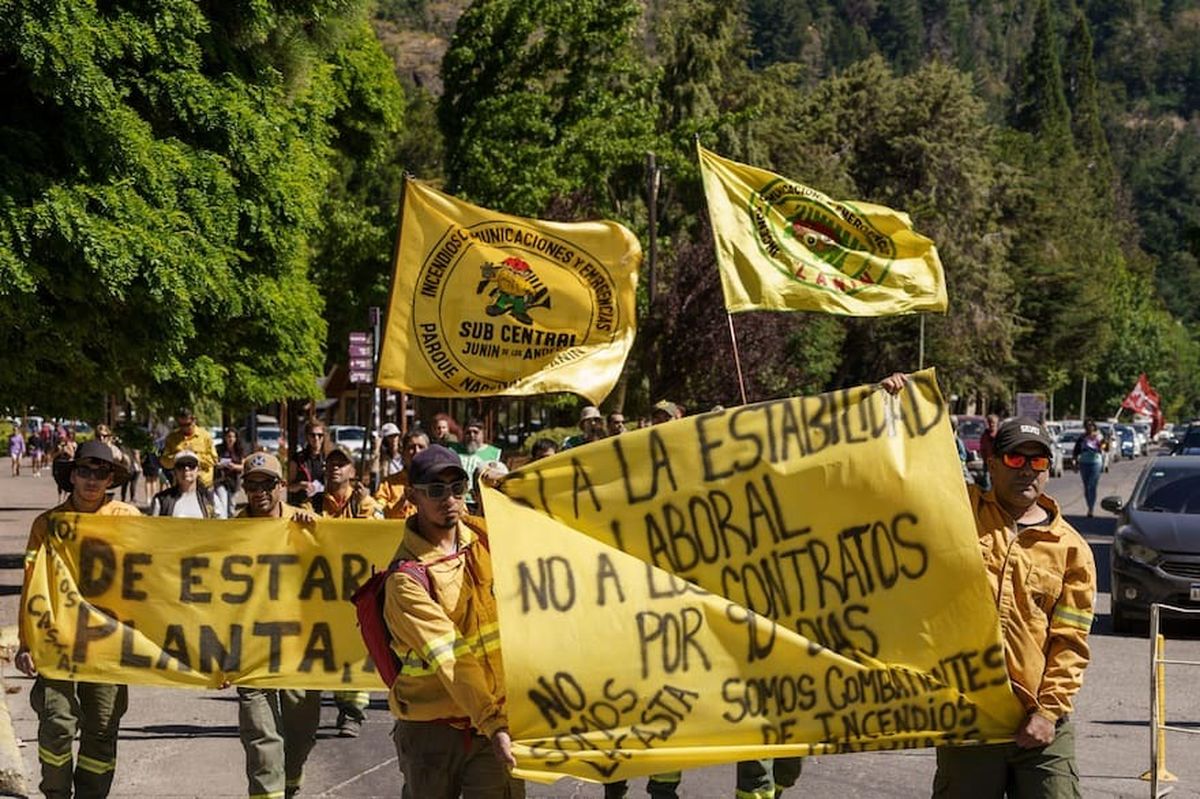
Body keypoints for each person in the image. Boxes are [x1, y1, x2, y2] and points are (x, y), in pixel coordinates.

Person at [881, 376, 1096, 799]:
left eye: (1037, 463)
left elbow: (1070, 643)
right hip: (969, 719)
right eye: (1016, 460)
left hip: (1039, 724)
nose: (1027, 471)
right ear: (992, 463)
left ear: (1048, 470)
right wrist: (894, 411)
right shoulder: (959, 511)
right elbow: (901, 475)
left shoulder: (1073, 551)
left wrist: (1049, 712)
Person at [383, 445, 522, 798]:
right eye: (435, 489)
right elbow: (451, 655)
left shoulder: (486, 539)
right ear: (413, 495)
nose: (449, 498)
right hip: (434, 731)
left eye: (457, 487)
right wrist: (493, 723)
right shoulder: (406, 580)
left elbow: (542, 524)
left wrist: (505, 487)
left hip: (494, 723)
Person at [16, 439, 139, 798]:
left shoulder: (130, 520)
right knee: (56, 722)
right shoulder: (48, 525)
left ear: (110, 480)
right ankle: (55, 793)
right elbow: (30, 583)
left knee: (102, 726)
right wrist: (25, 643)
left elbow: (160, 569)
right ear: (72, 476)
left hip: (108, 642)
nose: (91, 479)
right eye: (84, 470)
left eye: (100, 473)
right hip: (57, 641)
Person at [233, 452, 321, 799]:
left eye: (267, 483)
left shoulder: (307, 523)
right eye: (252, 485)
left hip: (299, 649)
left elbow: (337, 564)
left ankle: (292, 780)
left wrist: (314, 533)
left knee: (301, 737)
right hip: (251, 652)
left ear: (281, 486)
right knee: (262, 745)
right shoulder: (230, 533)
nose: (259, 492)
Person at [317, 446, 381, 737]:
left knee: (356, 648)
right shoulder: (314, 503)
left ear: (353, 471)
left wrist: (363, 509)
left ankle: (352, 712)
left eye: (342, 464)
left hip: (356, 591)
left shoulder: (365, 503)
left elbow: (381, 530)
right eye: (331, 462)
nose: (335, 468)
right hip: (322, 592)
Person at [374, 429, 429, 520]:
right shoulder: (388, 484)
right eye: (411, 447)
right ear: (403, 453)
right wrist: (401, 501)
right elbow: (378, 514)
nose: (417, 451)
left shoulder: (438, 482)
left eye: (421, 447)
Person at [149, 449, 222, 518]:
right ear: (175, 471)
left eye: (191, 465)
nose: (186, 469)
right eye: (181, 466)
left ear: (198, 470)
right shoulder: (161, 500)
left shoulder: (211, 499)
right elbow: (152, 528)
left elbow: (223, 527)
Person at [451, 418, 502, 512]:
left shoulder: (494, 453)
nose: (472, 436)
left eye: (475, 432)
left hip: (482, 501)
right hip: (459, 499)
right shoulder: (453, 450)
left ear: (483, 433)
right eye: (468, 432)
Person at [160, 408, 219, 488]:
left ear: (194, 421)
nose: (184, 428)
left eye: (187, 424)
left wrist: (194, 457)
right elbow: (164, 461)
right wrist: (178, 457)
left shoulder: (205, 436)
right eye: (181, 425)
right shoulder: (172, 438)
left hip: (203, 485)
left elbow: (214, 459)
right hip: (180, 486)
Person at [287, 419, 328, 507]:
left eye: (320, 435)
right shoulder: (298, 459)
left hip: (325, 506)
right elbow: (289, 487)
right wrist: (302, 485)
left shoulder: (329, 458)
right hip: (302, 505)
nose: (316, 438)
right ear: (307, 437)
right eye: (312, 435)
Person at [1073, 419, 1105, 517]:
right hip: (1084, 463)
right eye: (1087, 425)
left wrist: (1103, 442)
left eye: (1091, 425)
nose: (1089, 427)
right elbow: (1076, 450)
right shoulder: (1082, 438)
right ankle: (1089, 505)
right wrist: (1074, 462)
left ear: (1094, 426)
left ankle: (1091, 508)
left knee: (1092, 485)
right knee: (1086, 487)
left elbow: (1105, 448)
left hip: (1095, 462)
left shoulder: (1099, 437)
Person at [214, 427, 245, 518]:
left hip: (234, 482)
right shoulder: (219, 449)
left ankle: (230, 523)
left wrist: (234, 466)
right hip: (221, 480)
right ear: (225, 438)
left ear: (236, 438)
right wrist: (219, 465)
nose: (230, 439)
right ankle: (223, 524)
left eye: (232, 437)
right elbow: (214, 462)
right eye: (228, 436)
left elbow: (244, 466)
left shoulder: (239, 450)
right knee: (222, 504)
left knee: (231, 507)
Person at [978, 414, 1000, 492]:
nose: (991, 425)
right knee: (987, 482)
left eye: (993, 423)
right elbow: (982, 448)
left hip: (998, 463)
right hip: (987, 463)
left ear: (997, 423)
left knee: (997, 481)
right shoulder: (985, 435)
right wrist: (985, 458)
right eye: (990, 423)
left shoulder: (999, 435)